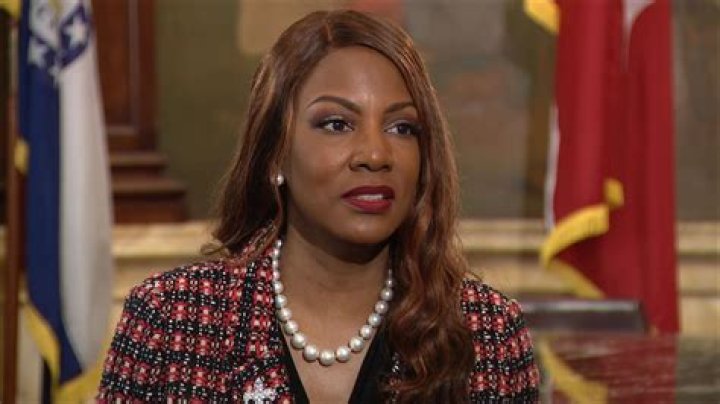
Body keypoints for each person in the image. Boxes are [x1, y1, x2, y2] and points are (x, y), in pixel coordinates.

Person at [97, 9, 540, 403]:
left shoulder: (487, 334)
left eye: (402, 128)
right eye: (336, 124)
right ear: (275, 152)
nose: (375, 154)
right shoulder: (173, 321)